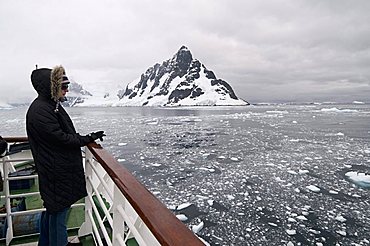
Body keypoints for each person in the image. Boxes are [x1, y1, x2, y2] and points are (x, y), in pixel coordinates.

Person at [26, 65, 105, 246]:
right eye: (63, 86)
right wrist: (87, 139)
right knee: (59, 215)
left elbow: (60, 135)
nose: (67, 90)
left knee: (53, 212)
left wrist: (86, 138)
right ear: (52, 87)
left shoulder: (47, 106)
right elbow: (61, 138)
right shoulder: (42, 110)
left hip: (55, 170)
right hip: (56, 172)